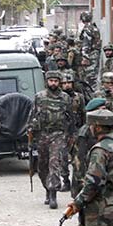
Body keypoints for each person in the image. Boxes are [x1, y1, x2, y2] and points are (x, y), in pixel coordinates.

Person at [70, 97, 107, 226]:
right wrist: (81, 188)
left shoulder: (104, 131)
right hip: (85, 183)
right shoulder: (85, 133)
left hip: (98, 183)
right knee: (84, 223)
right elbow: (79, 161)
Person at [28, 71, 74, 208]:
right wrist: (30, 131)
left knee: (54, 164)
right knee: (42, 166)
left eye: (55, 80)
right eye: (51, 80)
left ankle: (53, 192)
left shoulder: (65, 98)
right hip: (42, 135)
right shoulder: (39, 97)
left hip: (58, 135)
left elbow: (71, 118)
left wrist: (71, 135)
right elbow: (32, 115)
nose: (53, 83)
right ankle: (47, 189)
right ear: (47, 81)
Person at [60, 73, 85, 191]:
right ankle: (65, 181)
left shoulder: (79, 97)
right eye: (64, 83)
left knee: (77, 158)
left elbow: (83, 114)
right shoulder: (58, 98)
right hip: (62, 132)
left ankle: (77, 181)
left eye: (69, 83)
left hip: (76, 132)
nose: (67, 85)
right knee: (63, 159)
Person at [79, 11, 102, 91]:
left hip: (90, 56)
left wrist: (85, 57)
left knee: (89, 79)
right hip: (95, 55)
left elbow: (86, 44)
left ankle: (91, 96)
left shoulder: (87, 29)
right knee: (93, 77)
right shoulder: (94, 28)